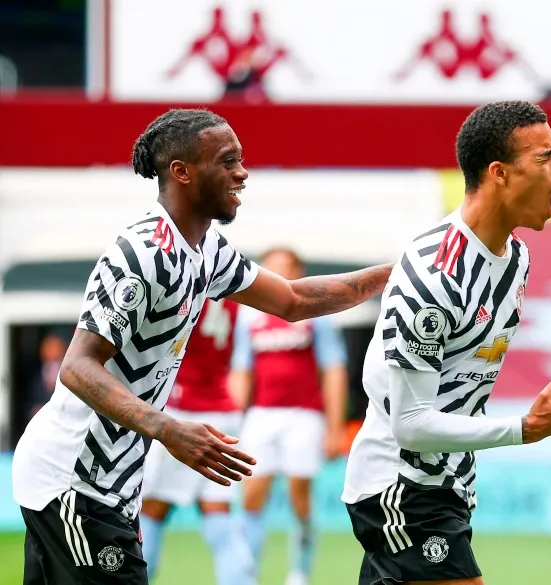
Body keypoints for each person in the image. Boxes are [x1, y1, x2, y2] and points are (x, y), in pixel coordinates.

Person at [11, 108, 392, 585]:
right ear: (182, 172)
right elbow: (77, 366)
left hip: (107, 484)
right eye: (228, 160)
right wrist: (168, 429)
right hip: (75, 478)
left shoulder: (207, 249)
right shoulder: (142, 254)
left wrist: (395, 274)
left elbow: (294, 299)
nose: (242, 172)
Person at [341, 100, 551, 585]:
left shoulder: (516, 258)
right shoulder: (434, 274)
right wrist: (524, 429)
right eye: (545, 156)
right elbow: (410, 424)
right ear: (499, 173)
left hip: (448, 485)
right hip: (402, 485)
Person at [230, 247, 349, 585]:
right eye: (272, 269)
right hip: (261, 416)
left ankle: (300, 571)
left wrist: (335, 427)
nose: (279, 275)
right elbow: (241, 372)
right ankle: (246, 572)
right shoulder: (250, 317)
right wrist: (233, 422)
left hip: (304, 416)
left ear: (299, 271)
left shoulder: (316, 314)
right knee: (252, 493)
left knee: (299, 494)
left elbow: (334, 371)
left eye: (286, 268)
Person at [138, 297, 253, 585]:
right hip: (222, 411)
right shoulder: (234, 293)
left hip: (181, 411)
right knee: (219, 513)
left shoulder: (186, 279)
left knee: (152, 508)